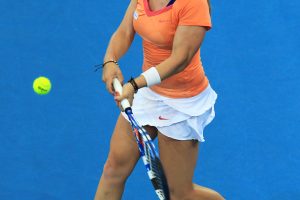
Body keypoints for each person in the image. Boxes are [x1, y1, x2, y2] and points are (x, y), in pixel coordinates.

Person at [95, 0, 225, 199]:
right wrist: (110, 60)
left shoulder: (193, 3)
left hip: (182, 104)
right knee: (113, 169)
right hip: (148, 92)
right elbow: (124, 32)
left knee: (180, 194)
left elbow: (180, 58)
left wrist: (135, 84)